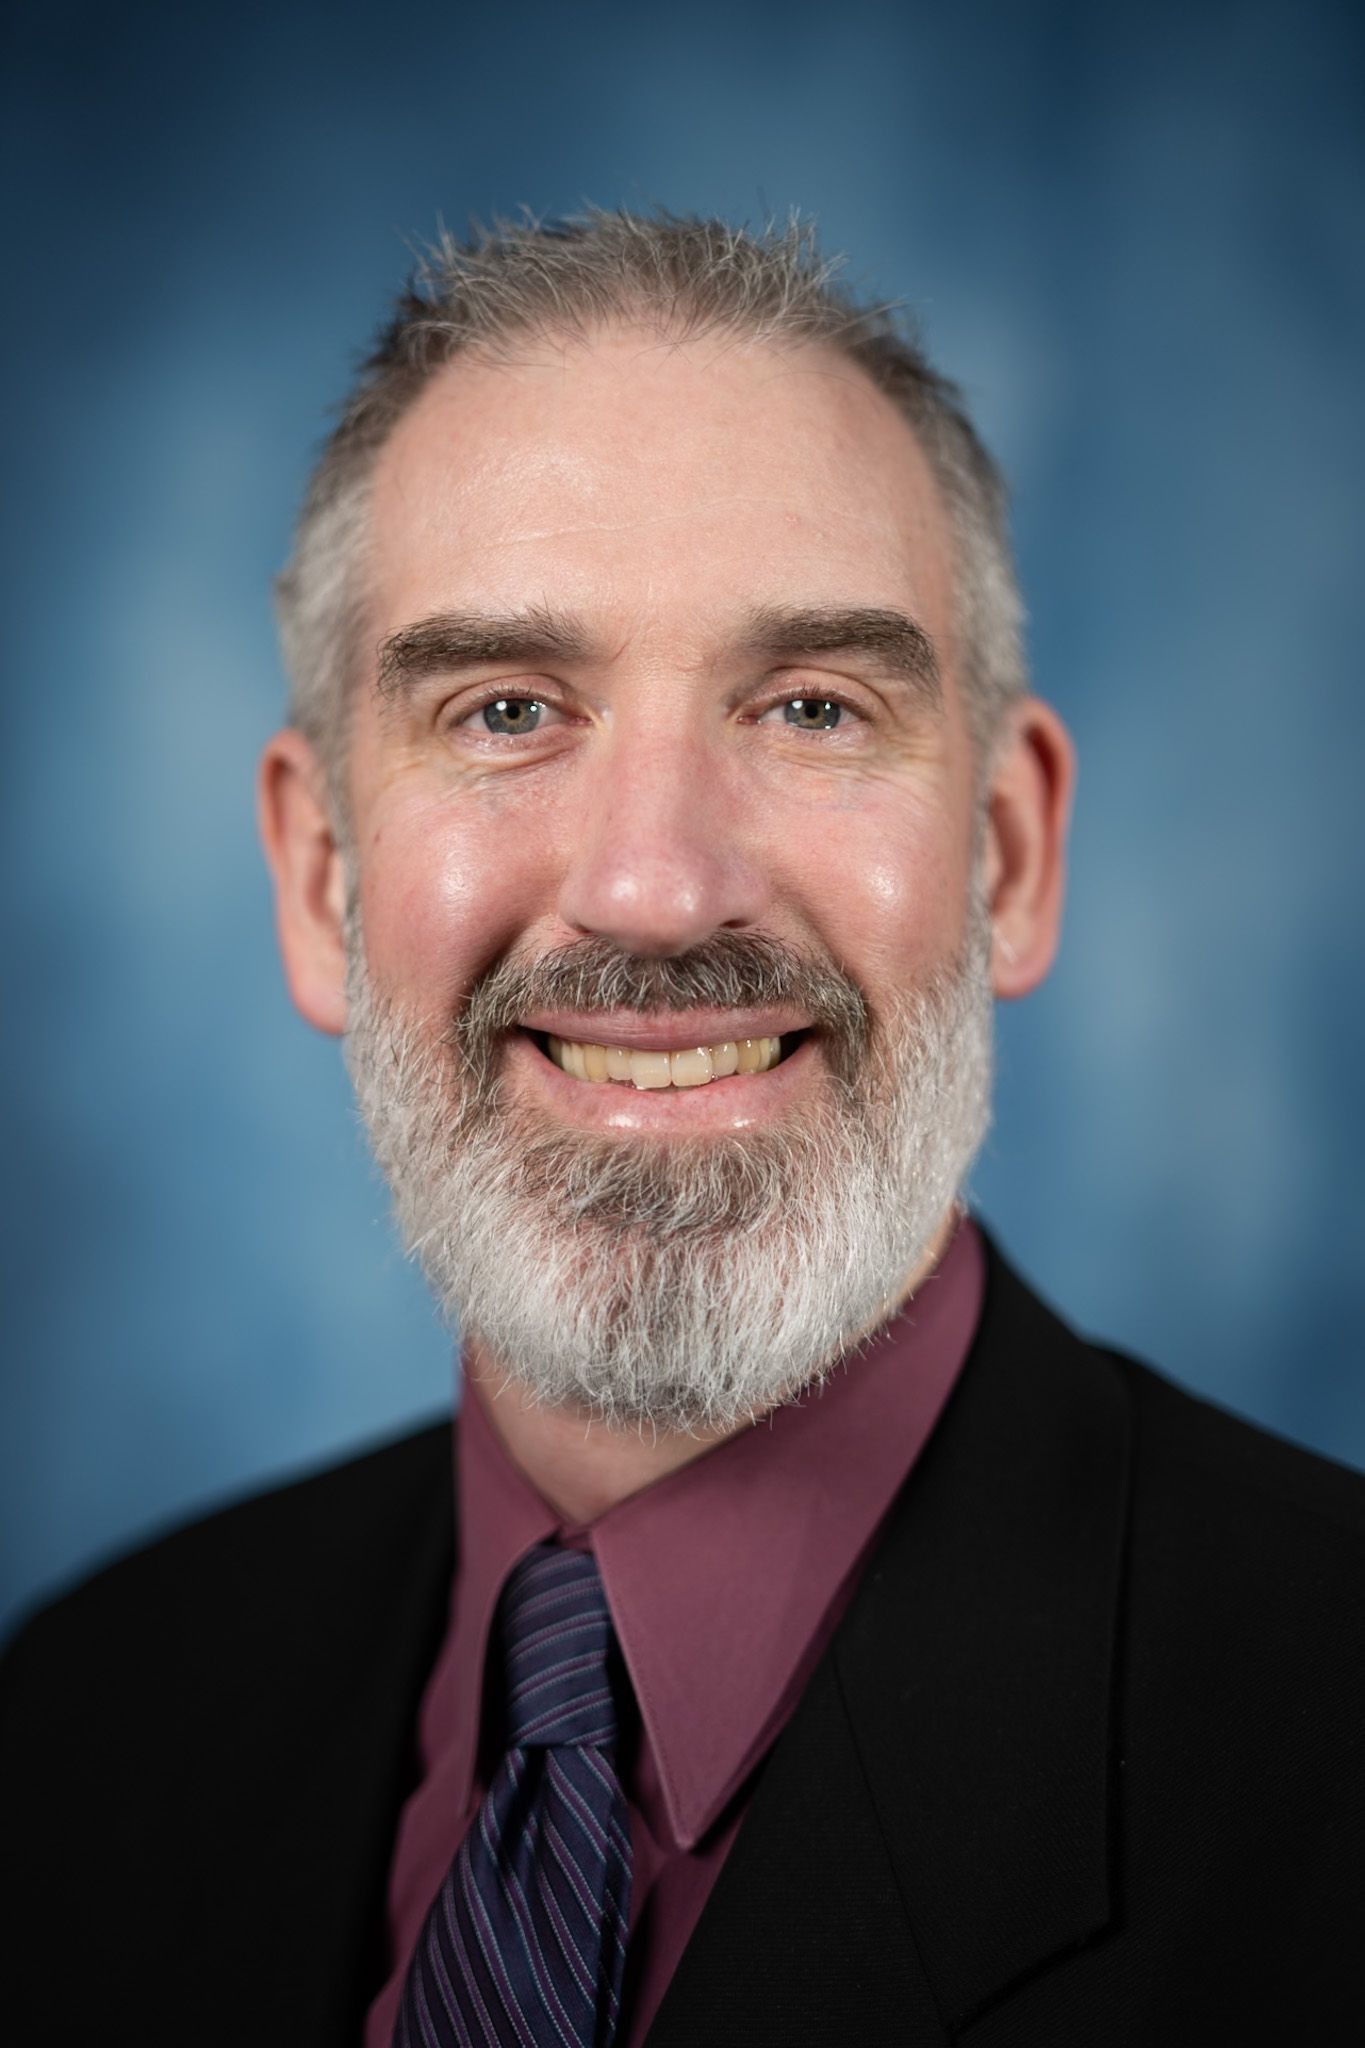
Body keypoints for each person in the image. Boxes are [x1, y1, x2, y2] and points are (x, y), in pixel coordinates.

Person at [2, 212, 1362, 2047]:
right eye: (504, 710)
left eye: (810, 708)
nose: (653, 888)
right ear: (321, 877)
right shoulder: (84, 1723)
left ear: (1008, 854)